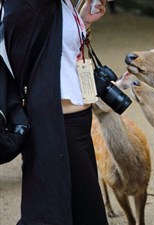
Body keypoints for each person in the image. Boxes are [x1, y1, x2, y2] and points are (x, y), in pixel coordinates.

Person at [3, 0, 109, 224]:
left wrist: (83, 21)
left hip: (77, 122)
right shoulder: (30, 6)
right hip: (56, 124)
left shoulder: (62, 6)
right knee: (57, 212)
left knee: (76, 210)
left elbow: (63, 53)